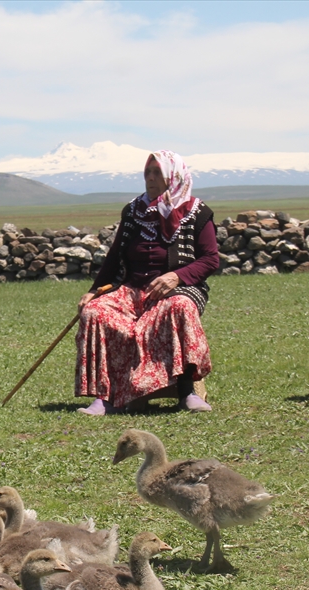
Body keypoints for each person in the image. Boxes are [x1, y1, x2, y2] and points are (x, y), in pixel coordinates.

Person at [75, 151, 220, 415]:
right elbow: (115, 255)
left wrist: (177, 276)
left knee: (179, 307)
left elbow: (210, 259)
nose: (150, 178)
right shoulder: (133, 210)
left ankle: (186, 391)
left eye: (157, 173)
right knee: (96, 311)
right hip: (132, 289)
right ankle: (106, 397)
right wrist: (95, 290)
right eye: (147, 173)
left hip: (179, 288)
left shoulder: (197, 211)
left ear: (172, 176)